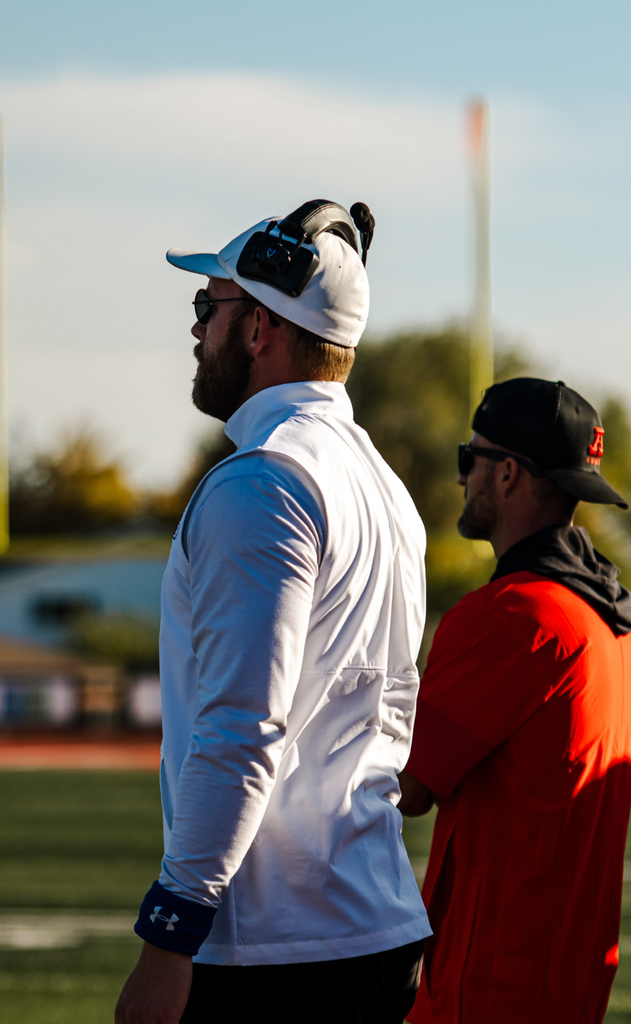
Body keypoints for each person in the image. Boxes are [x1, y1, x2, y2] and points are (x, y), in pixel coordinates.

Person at [115, 200, 431, 1024]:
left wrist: (169, 935)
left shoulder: (263, 482)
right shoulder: (384, 489)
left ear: (259, 328)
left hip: (272, 947)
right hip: (373, 921)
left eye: (207, 308)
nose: (194, 331)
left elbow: (240, 727)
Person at [399, 378, 631, 1024]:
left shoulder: (512, 616)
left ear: (507, 475)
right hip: (568, 972)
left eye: (468, 459)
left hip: (493, 979)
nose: (462, 479)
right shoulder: (612, 620)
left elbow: (405, 785)